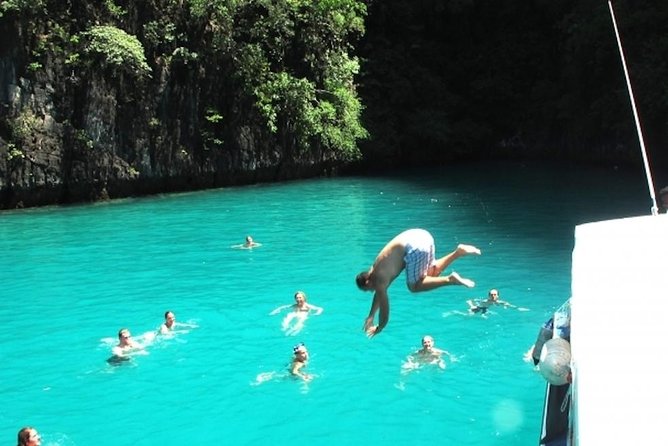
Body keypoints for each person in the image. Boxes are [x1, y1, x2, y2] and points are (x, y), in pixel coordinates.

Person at [356, 228, 480, 337]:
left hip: (414, 248)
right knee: (430, 276)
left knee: (414, 286)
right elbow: (378, 292)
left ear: (367, 282)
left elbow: (385, 310)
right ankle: (458, 252)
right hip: (423, 236)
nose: (372, 291)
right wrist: (371, 315)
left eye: (368, 289)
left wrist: (380, 327)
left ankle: (450, 279)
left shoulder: (379, 280)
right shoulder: (375, 268)